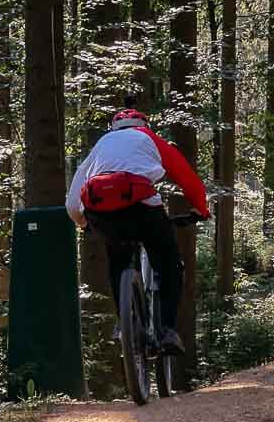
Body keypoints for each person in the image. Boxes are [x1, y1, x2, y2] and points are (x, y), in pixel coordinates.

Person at [66, 106, 210, 356]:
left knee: (117, 259)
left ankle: (124, 324)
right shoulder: (150, 138)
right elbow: (187, 178)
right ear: (144, 125)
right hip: (143, 209)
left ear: (114, 128)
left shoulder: (101, 145)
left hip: (101, 212)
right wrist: (201, 210)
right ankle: (167, 330)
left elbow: (71, 203)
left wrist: (85, 225)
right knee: (168, 264)